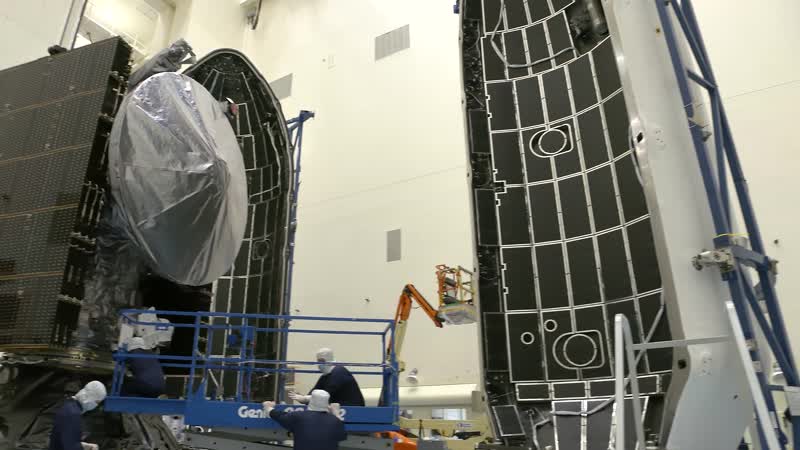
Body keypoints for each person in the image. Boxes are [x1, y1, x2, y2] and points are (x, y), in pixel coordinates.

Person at [263, 390, 347, 450]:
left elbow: (278, 415)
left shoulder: (298, 416)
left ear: (311, 402)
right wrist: (336, 413)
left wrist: (268, 407)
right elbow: (342, 435)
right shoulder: (335, 421)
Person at [290, 348, 365, 406]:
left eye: (321, 361)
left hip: (352, 410)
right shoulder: (326, 376)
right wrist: (303, 397)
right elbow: (315, 392)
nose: (318, 364)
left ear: (328, 360)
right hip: (339, 409)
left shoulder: (339, 373)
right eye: (318, 361)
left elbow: (325, 395)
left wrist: (305, 399)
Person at [49, 381, 107, 450]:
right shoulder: (73, 414)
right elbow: (70, 447)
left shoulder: (69, 405)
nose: (96, 405)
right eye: (96, 402)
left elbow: (66, 439)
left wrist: (85, 445)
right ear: (90, 398)